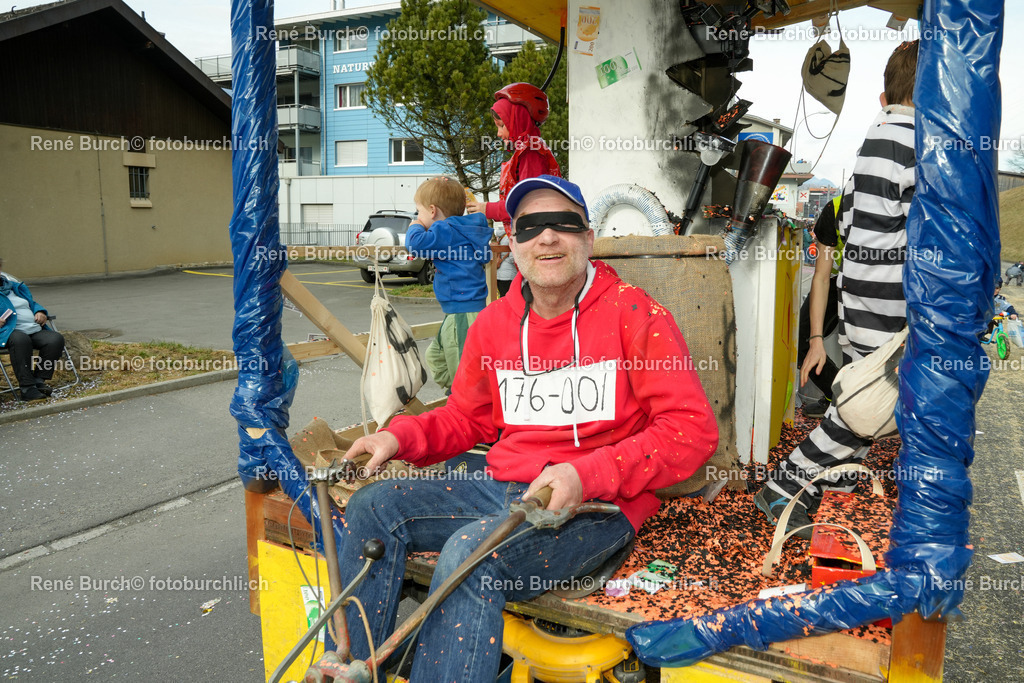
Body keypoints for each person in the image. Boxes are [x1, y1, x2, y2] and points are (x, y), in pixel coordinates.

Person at [337, 175, 718, 680]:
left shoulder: (636, 314)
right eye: (531, 226)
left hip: (598, 506)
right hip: (504, 489)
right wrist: (399, 436)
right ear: (512, 244)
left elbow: (690, 431)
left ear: (587, 238)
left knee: (470, 558)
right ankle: (344, 667)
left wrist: (586, 474)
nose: (547, 237)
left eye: (564, 223)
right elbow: (467, 417)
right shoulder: (495, 324)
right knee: (372, 509)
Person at [755, 41, 919, 539]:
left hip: (859, 311)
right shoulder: (912, 143)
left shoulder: (872, 147)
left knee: (863, 417)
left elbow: (838, 256)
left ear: (881, 95)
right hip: (885, 314)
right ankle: (783, 487)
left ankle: (838, 512)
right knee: (862, 412)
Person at [405, 176, 493, 391]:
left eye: (420, 211)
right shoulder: (468, 229)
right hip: (466, 308)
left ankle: (464, 405)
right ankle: (459, 395)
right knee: (436, 356)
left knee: (464, 372)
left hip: (462, 311)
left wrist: (415, 225)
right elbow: (484, 257)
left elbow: (415, 245)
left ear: (432, 211)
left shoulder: (446, 230)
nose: (419, 216)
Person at [466, 83, 561, 236]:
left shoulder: (530, 153)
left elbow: (527, 204)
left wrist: (488, 209)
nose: (498, 133)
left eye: (502, 125)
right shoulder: (528, 150)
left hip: (535, 237)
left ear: (518, 121)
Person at [797, 195, 843, 418]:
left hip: (882, 290)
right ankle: (837, 398)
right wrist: (815, 338)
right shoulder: (835, 208)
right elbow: (821, 276)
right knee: (803, 341)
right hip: (834, 283)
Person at [0, 257, 65, 401]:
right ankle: (27, 388)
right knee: (20, 340)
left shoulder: (12, 285)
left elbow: (31, 303)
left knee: (54, 339)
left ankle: (38, 380)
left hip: (31, 328)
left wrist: (40, 311)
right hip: (6, 333)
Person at [493, 226, 517, 296]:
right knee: (510, 297)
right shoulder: (509, 237)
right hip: (509, 273)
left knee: (502, 296)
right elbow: (512, 258)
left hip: (499, 273)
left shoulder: (499, 236)